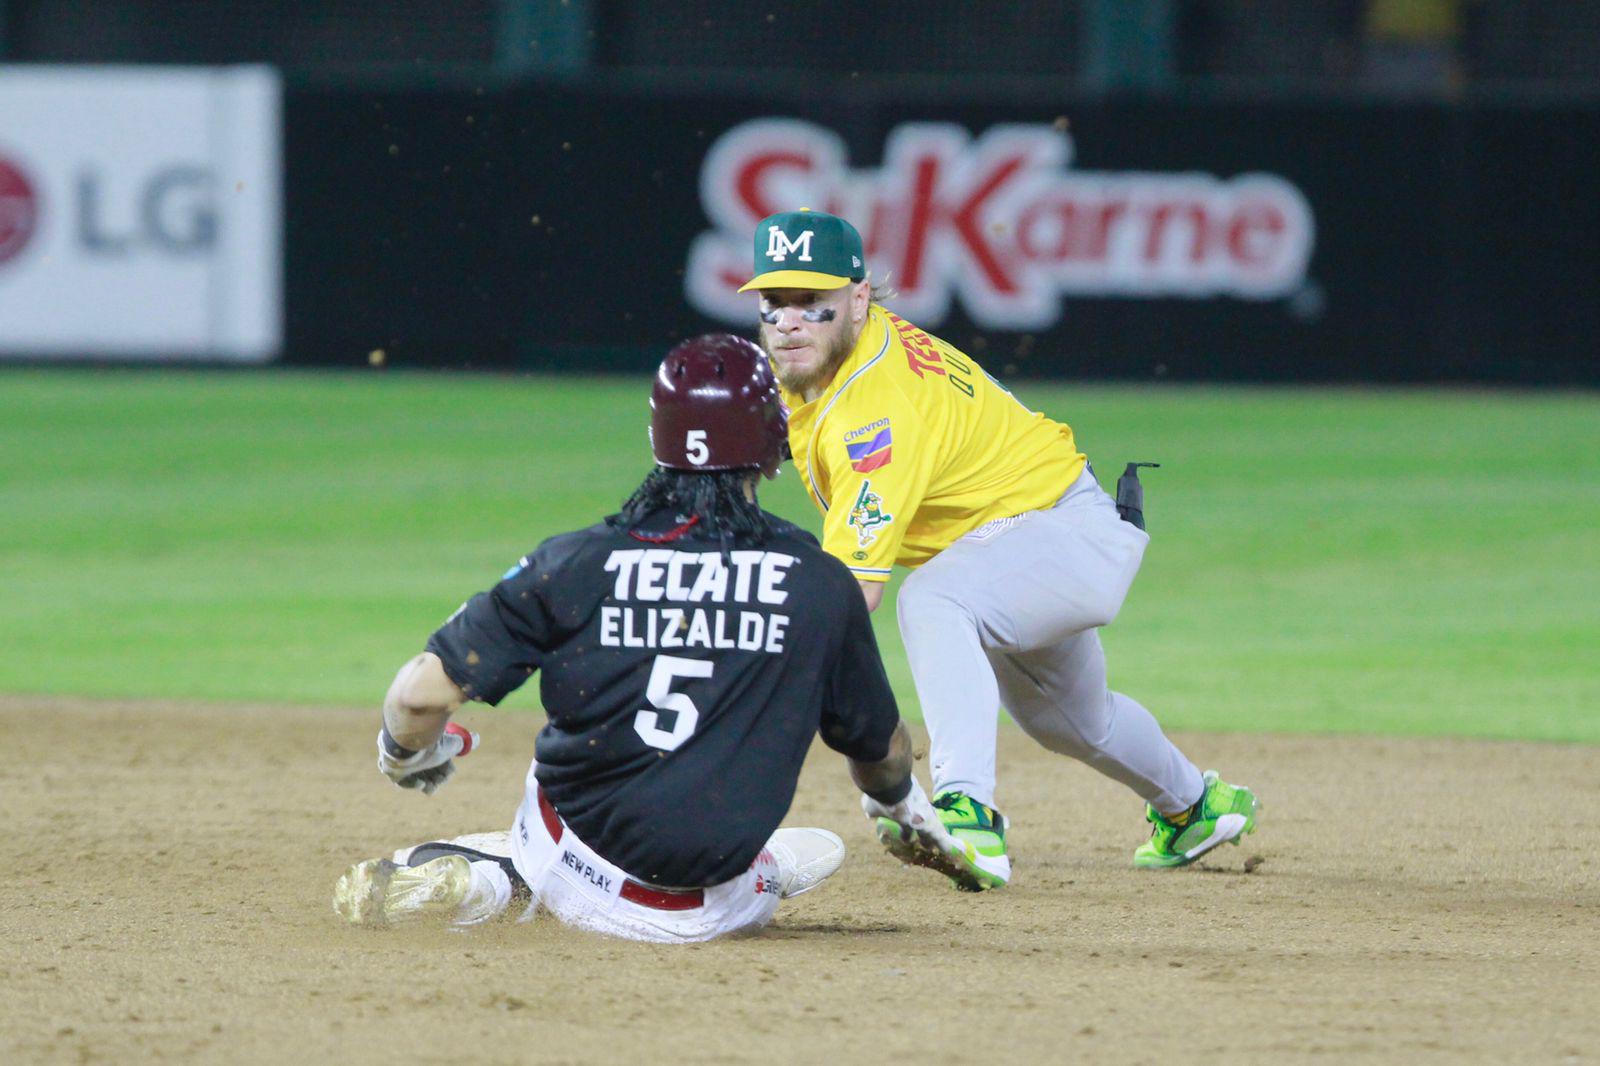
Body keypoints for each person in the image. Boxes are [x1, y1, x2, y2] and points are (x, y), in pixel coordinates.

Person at [332, 334, 960, 942]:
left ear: (658, 439)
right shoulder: (822, 583)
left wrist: (405, 752)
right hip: (710, 912)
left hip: (565, 851)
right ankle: (747, 871)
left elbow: (418, 696)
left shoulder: (575, 561)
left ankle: (497, 881)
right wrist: (899, 805)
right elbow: (881, 752)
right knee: (807, 849)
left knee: (567, 819)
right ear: (776, 444)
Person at [740, 208, 1260, 890]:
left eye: (814, 302)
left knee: (933, 599)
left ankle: (968, 814)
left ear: (859, 298)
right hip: (1016, 545)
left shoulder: (874, 413)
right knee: (1072, 719)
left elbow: (850, 595)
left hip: (1060, 532)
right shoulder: (829, 356)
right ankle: (1196, 808)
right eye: (776, 302)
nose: (790, 321)